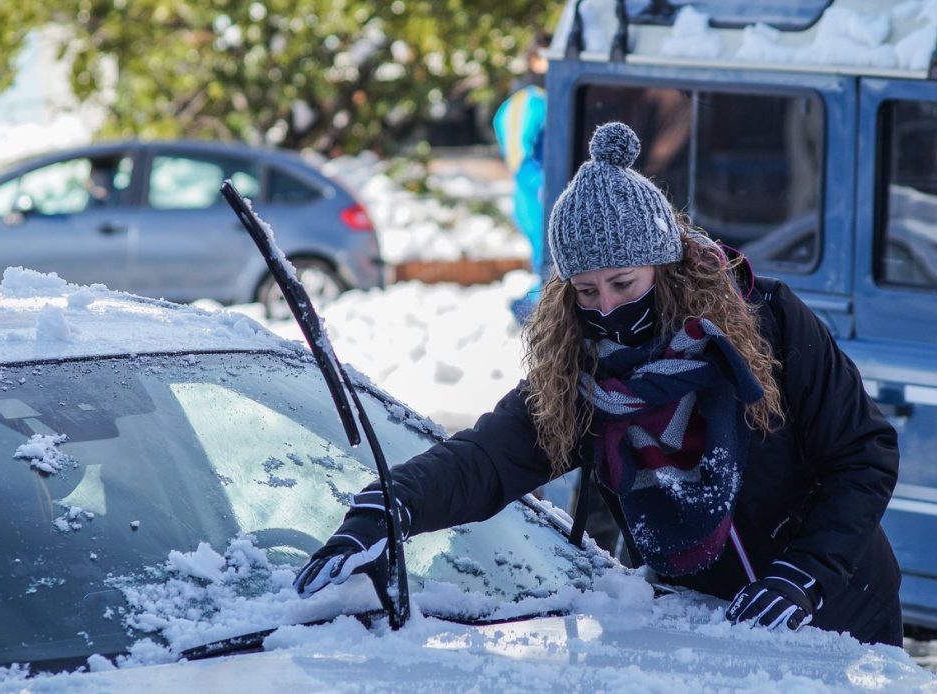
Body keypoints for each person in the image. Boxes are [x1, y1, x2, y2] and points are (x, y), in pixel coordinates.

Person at [294, 122, 903, 646]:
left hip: (839, 607)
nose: (607, 306)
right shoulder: (582, 375)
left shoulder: (767, 323)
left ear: (665, 267)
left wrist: (805, 574)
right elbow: (487, 457)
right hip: (700, 627)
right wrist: (388, 505)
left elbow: (862, 454)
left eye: (623, 283)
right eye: (586, 291)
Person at [492, 32, 550, 323]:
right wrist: (542, 187)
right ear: (532, 59)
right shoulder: (526, 101)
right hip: (537, 197)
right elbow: (517, 154)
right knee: (549, 264)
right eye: (544, 55)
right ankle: (526, 315)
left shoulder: (553, 96)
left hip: (549, 193)